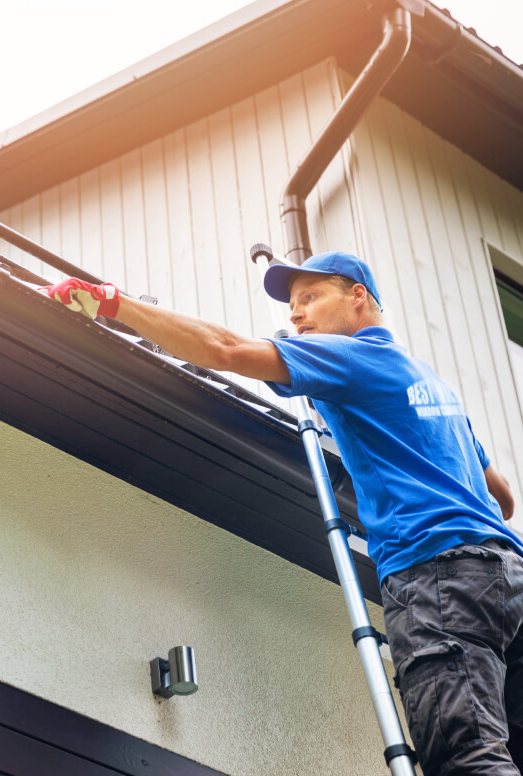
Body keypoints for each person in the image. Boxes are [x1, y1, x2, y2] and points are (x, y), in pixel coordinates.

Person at [41, 251, 523, 775]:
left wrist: (114, 302)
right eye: (293, 307)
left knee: (466, 759)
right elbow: (502, 496)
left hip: (438, 581)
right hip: (506, 578)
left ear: (358, 296)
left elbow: (224, 349)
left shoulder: (351, 358)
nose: (296, 315)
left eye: (310, 298)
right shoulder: (434, 387)